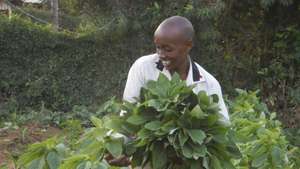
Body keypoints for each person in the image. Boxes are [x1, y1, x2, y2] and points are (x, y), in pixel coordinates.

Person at [107, 15, 229, 168]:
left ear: (188, 45)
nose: (161, 54)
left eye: (168, 49)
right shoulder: (143, 68)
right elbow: (128, 117)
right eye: (158, 47)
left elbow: (222, 127)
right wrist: (119, 147)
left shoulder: (208, 84)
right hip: (147, 161)